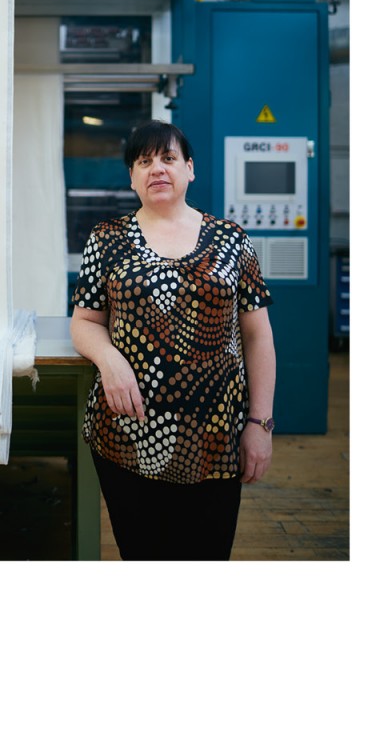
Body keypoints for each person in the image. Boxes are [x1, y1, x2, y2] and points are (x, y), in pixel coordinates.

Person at [70, 120, 277, 560]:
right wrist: (109, 359)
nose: (156, 169)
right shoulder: (106, 240)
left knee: (207, 554)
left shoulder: (231, 240)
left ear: (190, 169)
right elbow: (85, 322)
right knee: (143, 553)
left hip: (216, 438)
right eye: (143, 161)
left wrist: (259, 425)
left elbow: (258, 336)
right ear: (132, 177)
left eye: (167, 158)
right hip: (126, 439)